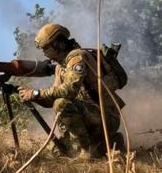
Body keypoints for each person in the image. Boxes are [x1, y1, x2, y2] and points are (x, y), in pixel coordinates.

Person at [16, 23, 124, 159]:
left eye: (46, 48)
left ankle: (86, 152)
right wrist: (31, 96)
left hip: (106, 116)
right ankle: (103, 145)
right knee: (57, 152)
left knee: (61, 103)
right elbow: (51, 100)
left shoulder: (77, 57)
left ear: (58, 44)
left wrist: (37, 93)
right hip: (91, 116)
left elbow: (69, 91)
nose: (44, 53)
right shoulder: (61, 67)